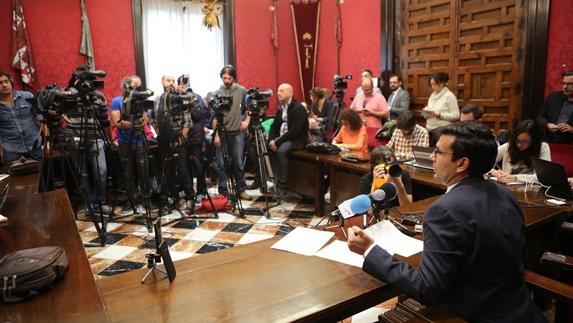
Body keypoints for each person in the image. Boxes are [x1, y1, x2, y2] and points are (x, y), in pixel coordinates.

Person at [348, 121, 546, 322]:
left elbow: (426, 289)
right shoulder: (505, 194)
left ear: (462, 163)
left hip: (473, 315)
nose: (432, 157)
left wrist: (369, 250)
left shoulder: (444, 210)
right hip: (521, 310)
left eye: (438, 152)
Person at [63, 64, 113, 214]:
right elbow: (58, 111)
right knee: (82, 173)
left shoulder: (98, 97)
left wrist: (109, 140)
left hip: (96, 137)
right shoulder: (69, 94)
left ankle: (100, 202)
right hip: (74, 138)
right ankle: (90, 204)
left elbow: (105, 121)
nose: (90, 84)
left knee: (101, 171)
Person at [110, 75, 151, 216]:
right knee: (128, 173)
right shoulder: (117, 101)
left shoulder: (140, 101)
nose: (138, 88)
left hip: (140, 140)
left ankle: (146, 199)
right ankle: (131, 201)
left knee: (144, 170)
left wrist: (129, 124)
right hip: (125, 142)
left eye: (140, 85)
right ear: (127, 86)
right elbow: (116, 122)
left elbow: (145, 119)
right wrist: (133, 124)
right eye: (135, 85)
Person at [153, 74, 195, 209]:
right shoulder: (157, 100)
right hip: (163, 140)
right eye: (168, 80)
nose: (171, 83)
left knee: (183, 169)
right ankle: (173, 197)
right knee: (167, 169)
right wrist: (159, 133)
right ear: (162, 82)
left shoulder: (180, 98)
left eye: (172, 81)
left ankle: (189, 197)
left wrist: (181, 138)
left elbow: (188, 122)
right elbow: (154, 119)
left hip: (178, 139)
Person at [212, 65, 252, 200]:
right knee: (221, 164)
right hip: (222, 132)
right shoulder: (217, 92)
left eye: (229, 78)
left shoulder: (241, 90)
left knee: (239, 163)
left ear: (233, 77)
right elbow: (215, 117)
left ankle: (241, 190)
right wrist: (216, 135)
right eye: (225, 78)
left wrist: (247, 121)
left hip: (237, 133)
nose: (227, 80)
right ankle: (223, 192)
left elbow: (250, 107)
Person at [268, 83, 309, 197]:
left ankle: (282, 186)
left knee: (281, 150)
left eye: (282, 91)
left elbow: (295, 131)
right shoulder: (281, 108)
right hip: (281, 139)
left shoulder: (298, 108)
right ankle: (272, 180)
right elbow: (274, 126)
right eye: (278, 91)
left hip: (296, 140)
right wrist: (271, 140)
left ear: (290, 93)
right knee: (263, 147)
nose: (278, 93)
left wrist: (277, 142)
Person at [0, 70, 43, 163]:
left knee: (39, 176)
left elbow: (42, 119)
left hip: (34, 146)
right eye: (0, 83)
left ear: (11, 82)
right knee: (16, 178)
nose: (4, 85)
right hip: (11, 151)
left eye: (6, 81)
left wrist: (47, 143)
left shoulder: (27, 96)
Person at [490, 119, 551, 184]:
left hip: (531, 190)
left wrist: (515, 178)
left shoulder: (543, 147)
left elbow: (544, 176)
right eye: (517, 140)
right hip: (508, 188)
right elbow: (482, 161)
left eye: (524, 141)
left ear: (533, 141)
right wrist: (493, 171)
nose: (519, 144)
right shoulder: (508, 146)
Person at [536, 70, 573, 144]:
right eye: (563, 83)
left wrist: (572, 129)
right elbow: (540, 117)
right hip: (551, 140)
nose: (565, 87)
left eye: (569, 84)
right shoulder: (554, 97)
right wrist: (548, 124)